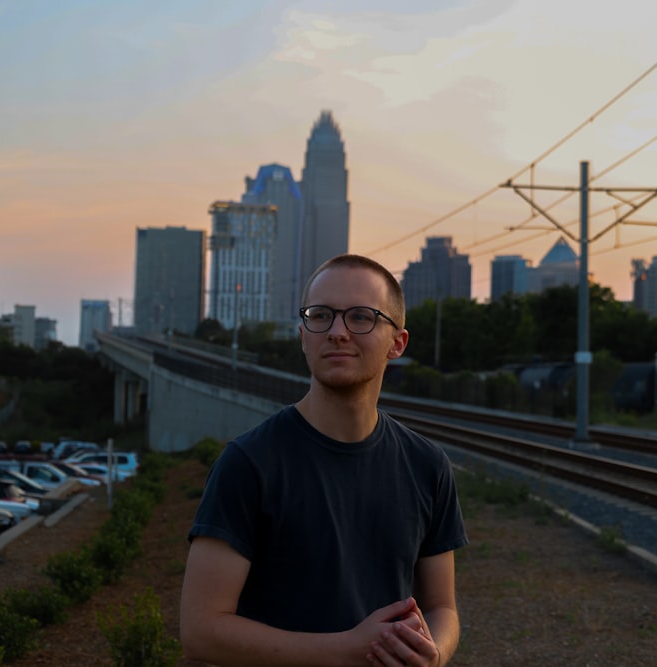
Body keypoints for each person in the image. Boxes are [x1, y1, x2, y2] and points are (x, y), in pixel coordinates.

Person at [181, 254, 468, 667]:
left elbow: (443, 609)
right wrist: (349, 649)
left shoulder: (427, 466)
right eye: (321, 316)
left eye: (361, 317)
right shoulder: (249, 463)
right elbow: (201, 632)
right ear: (303, 335)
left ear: (397, 343)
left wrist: (433, 652)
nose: (337, 332)